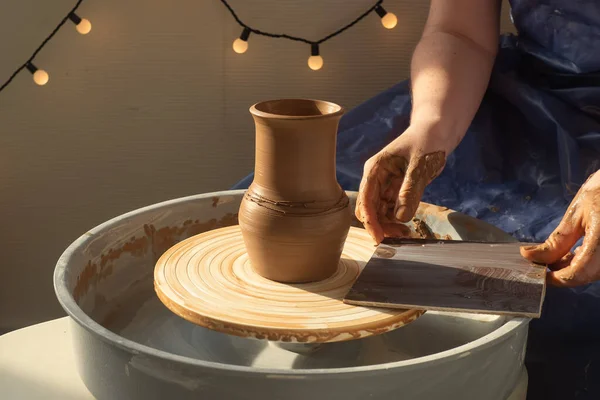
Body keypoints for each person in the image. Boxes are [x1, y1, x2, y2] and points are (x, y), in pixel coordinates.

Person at [353, 0, 600, 288]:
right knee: (345, 191)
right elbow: (461, 31)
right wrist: (432, 126)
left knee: (572, 278)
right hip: (534, 94)